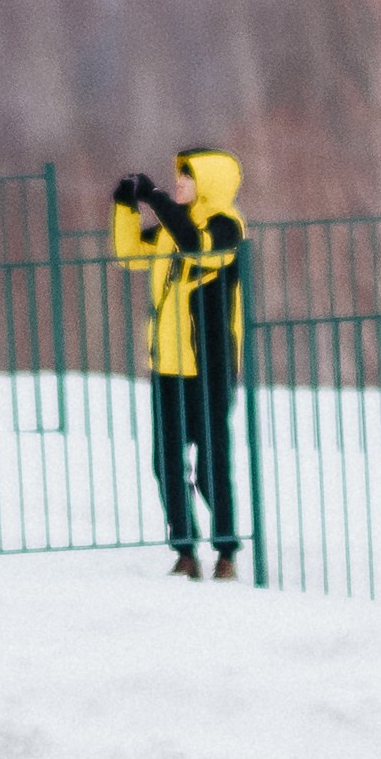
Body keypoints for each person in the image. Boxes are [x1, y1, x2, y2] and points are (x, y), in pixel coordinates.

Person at [113, 148, 246, 580]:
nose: (178, 185)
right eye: (176, 178)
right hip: (167, 366)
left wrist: (156, 199)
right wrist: (126, 207)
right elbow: (130, 255)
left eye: (185, 178)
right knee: (166, 462)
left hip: (209, 367)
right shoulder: (172, 227)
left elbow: (196, 246)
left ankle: (226, 552)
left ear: (208, 182)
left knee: (211, 465)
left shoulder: (227, 226)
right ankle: (184, 550)